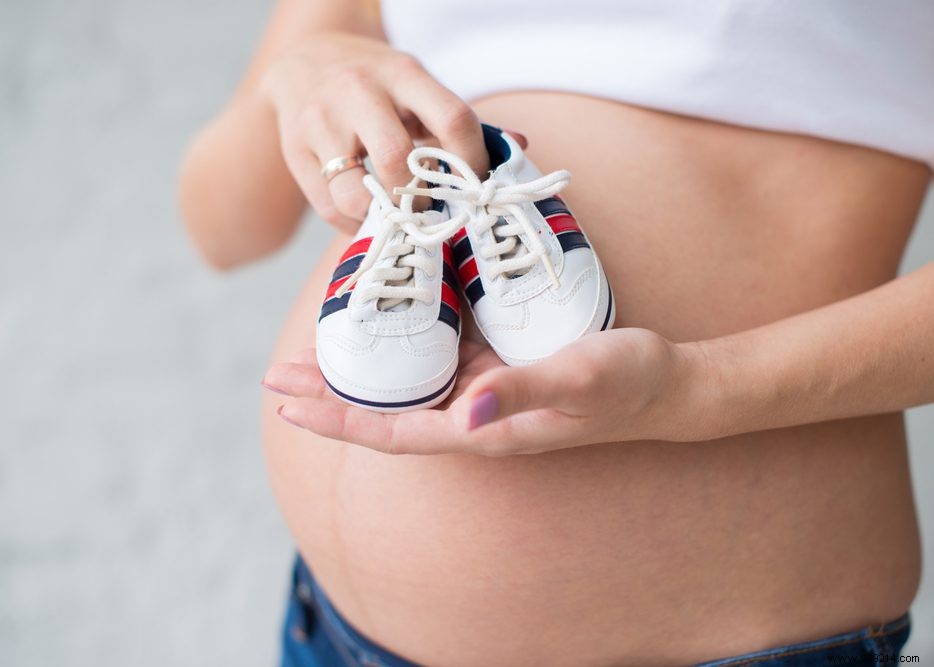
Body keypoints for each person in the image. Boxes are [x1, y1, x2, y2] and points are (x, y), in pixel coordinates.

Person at [179, 1, 933, 664]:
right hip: (336, 633)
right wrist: (296, 71)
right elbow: (224, 228)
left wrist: (695, 385)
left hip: (738, 639)